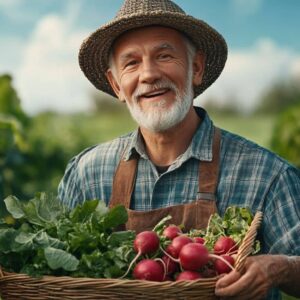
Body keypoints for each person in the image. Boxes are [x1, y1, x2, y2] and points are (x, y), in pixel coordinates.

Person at [58, 0, 300, 299]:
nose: (148, 74)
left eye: (164, 55)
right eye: (131, 63)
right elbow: (53, 274)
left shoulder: (267, 174)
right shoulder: (87, 173)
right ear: (116, 85)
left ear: (195, 68)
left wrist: (283, 268)